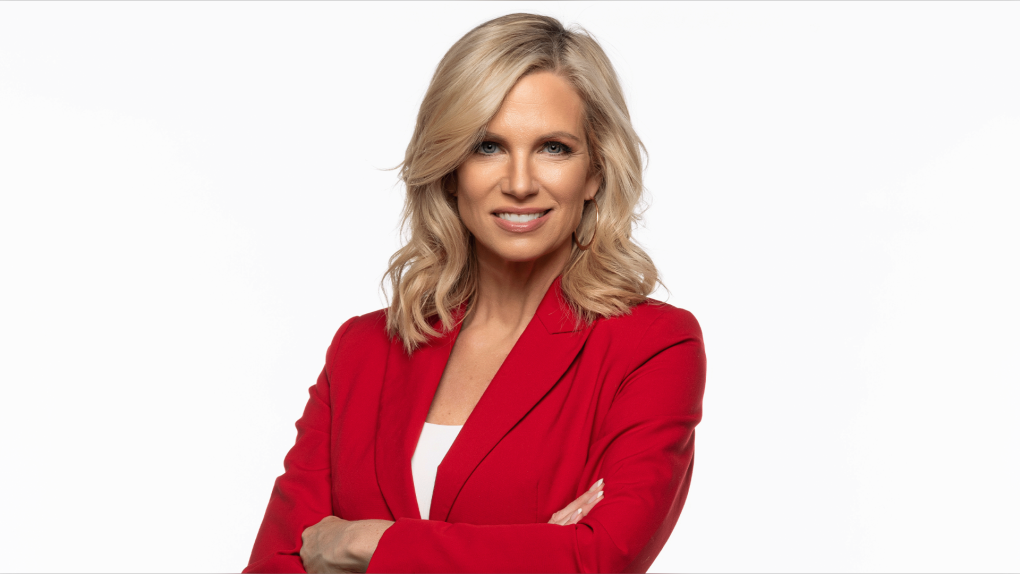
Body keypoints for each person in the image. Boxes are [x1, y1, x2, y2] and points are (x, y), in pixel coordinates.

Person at [244, 13, 706, 574]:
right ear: (450, 169)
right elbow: (274, 564)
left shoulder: (651, 346)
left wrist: (363, 542)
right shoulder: (361, 349)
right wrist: (532, 550)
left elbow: (599, 558)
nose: (519, 182)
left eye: (554, 148)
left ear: (595, 172)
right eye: (488, 146)